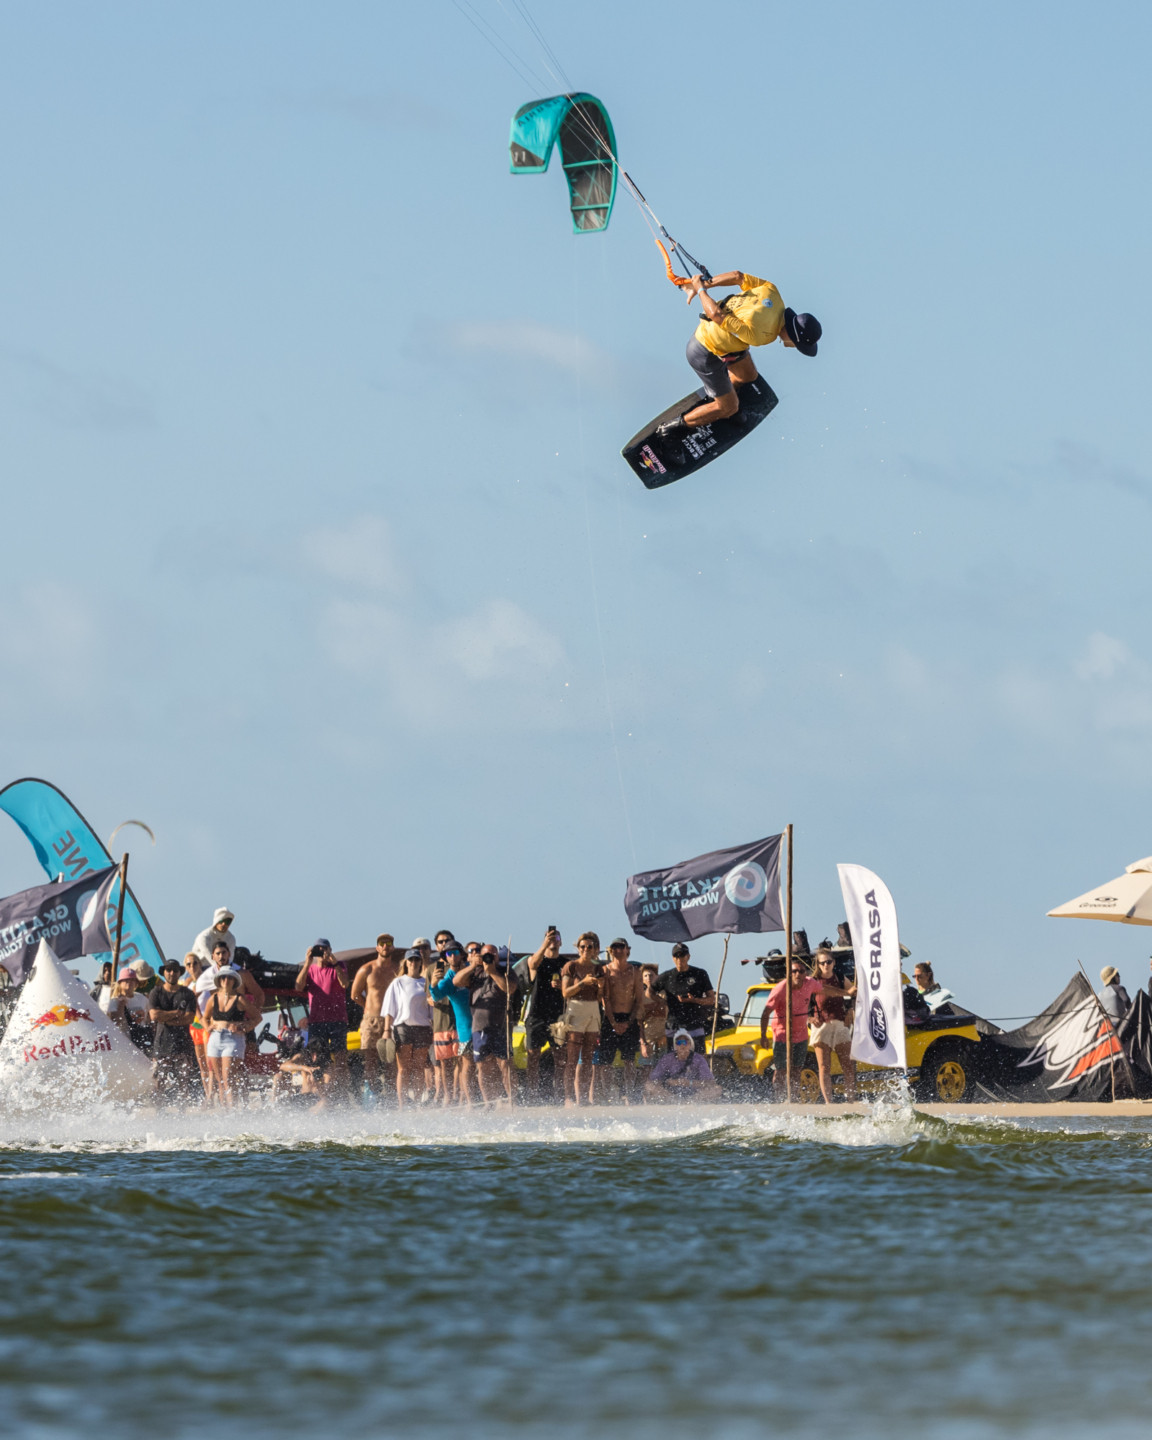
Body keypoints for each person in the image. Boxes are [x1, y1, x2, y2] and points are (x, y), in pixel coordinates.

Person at [657, 270, 821, 437]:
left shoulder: (773, 293)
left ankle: (718, 398)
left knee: (748, 375)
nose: (793, 347)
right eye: (797, 345)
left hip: (725, 343)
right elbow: (716, 315)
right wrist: (700, 289)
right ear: (793, 336)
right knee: (729, 408)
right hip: (703, 351)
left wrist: (703, 284)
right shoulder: (762, 335)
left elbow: (737, 276)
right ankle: (672, 428)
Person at [454, 943, 519, 1105]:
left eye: (493, 954)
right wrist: (472, 966)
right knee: (482, 1066)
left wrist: (492, 972)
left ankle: (513, 1100)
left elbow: (510, 989)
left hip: (501, 1026)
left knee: (505, 1064)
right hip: (479, 1027)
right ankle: (488, 1102)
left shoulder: (506, 971)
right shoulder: (475, 973)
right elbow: (456, 981)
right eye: (486, 955)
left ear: (497, 956)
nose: (490, 957)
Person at [515, 926, 567, 1101]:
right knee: (533, 1056)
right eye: (549, 937)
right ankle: (533, 1094)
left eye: (556, 938)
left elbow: (571, 987)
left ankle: (560, 1093)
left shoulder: (566, 963)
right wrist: (544, 944)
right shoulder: (537, 959)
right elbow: (532, 964)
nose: (553, 940)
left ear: (561, 942)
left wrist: (562, 986)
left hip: (558, 1016)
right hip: (536, 1014)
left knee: (560, 1057)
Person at [762, 957, 823, 1100]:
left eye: (801, 971)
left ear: (805, 973)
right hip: (782, 1035)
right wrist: (763, 1036)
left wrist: (847, 992)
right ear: (788, 973)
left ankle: (793, 1098)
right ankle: (779, 1098)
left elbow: (825, 990)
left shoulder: (810, 983)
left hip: (801, 1035)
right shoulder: (780, 988)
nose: (798, 974)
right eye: (794, 971)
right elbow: (765, 1013)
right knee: (781, 1070)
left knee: (796, 1070)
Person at [381, 949, 435, 1108]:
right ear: (406, 962)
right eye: (411, 960)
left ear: (420, 962)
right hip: (402, 1027)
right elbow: (389, 1008)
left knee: (419, 1067)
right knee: (403, 1068)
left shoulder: (425, 983)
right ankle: (402, 1104)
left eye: (416, 959)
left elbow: (431, 1008)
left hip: (422, 1028)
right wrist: (386, 1031)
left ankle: (417, 1102)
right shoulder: (398, 982)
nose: (413, 962)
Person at [294, 940, 350, 1090]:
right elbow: (298, 986)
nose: (321, 952)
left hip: (337, 1019)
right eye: (317, 949)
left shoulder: (339, 966)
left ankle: (342, 1092)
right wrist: (307, 962)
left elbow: (345, 984)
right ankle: (320, 1091)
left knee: (340, 1057)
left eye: (324, 949)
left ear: (330, 950)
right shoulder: (311, 969)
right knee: (317, 1058)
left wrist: (335, 963)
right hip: (317, 1021)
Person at [350, 934, 400, 1092]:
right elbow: (354, 995)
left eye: (388, 943)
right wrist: (367, 1007)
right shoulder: (367, 969)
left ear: (393, 947)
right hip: (371, 1020)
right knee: (370, 1061)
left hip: (392, 1019)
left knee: (391, 1060)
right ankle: (371, 1096)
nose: (385, 946)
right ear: (377, 947)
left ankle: (391, 1096)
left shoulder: (398, 969)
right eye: (382, 943)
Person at [203, 968, 259, 1107]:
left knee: (228, 1079)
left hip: (233, 1039)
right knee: (220, 1081)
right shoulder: (213, 998)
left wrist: (244, 1027)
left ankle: (232, 1111)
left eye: (229, 977)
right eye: (223, 978)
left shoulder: (240, 999)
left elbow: (257, 1018)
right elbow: (204, 1017)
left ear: (234, 981)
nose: (226, 980)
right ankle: (226, 1112)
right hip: (215, 1038)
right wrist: (208, 1027)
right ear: (219, 980)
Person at [560, 932, 604, 1107]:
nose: (586, 949)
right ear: (578, 949)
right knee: (572, 1057)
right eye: (583, 946)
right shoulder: (571, 966)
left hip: (593, 1007)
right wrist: (582, 983)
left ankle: (584, 1098)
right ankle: (569, 1097)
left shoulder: (598, 968)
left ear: (595, 949)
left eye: (589, 947)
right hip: (576, 1007)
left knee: (588, 1057)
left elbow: (600, 996)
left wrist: (601, 986)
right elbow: (565, 993)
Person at [809, 949, 858, 1105]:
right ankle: (828, 1102)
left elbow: (855, 995)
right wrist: (809, 1018)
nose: (826, 965)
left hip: (840, 1024)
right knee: (824, 1067)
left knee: (848, 1065)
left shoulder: (840, 978)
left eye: (828, 962)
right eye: (822, 962)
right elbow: (801, 1003)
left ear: (833, 963)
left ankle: (850, 1100)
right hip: (821, 1026)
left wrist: (850, 1010)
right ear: (818, 964)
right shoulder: (813, 981)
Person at [599, 938, 644, 1102]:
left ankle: (629, 1093)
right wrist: (613, 1022)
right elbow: (605, 998)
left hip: (628, 1017)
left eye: (621, 947)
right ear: (610, 951)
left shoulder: (635, 972)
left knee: (629, 1059)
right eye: (615, 947)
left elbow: (639, 999)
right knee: (606, 1061)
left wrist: (629, 1021)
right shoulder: (606, 971)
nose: (618, 950)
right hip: (610, 1017)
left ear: (627, 949)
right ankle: (607, 1095)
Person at [431, 943, 476, 1106]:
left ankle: (487, 1099)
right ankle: (469, 1102)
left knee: (487, 1063)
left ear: (462, 954)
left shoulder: (474, 970)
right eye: (448, 954)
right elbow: (436, 996)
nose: (452, 956)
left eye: (455, 952)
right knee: (467, 1064)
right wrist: (433, 984)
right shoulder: (448, 979)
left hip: (484, 1024)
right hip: (465, 1029)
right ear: (445, 958)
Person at [149, 959, 199, 1103]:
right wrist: (176, 1013)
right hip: (162, 1043)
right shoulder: (156, 992)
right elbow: (154, 1015)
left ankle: (182, 1110)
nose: (172, 973)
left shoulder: (187, 993)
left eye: (175, 970)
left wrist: (165, 1018)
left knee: (184, 1081)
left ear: (179, 973)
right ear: (164, 972)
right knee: (159, 1080)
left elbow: (189, 1018)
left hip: (183, 1043)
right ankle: (159, 1110)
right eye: (169, 970)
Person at [652, 944, 716, 1053]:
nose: (679, 959)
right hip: (673, 1025)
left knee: (699, 1057)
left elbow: (712, 999)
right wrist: (662, 1001)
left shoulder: (700, 974)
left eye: (682, 955)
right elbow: (649, 992)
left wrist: (694, 1000)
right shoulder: (667, 976)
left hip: (695, 1024)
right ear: (673, 958)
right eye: (676, 956)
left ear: (688, 956)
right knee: (673, 1058)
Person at [644, 1030, 722, 1103]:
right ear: (675, 1045)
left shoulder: (699, 1059)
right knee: (649, 1086)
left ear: (690, 1044)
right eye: (679, 1042)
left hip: (695, 1094)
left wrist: (689, 1083)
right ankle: (674, 1101)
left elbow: (710, 1083)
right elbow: (653, 1080)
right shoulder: (667, 1059)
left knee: (717, 1089)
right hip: (670, 1094)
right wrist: (668, 1082)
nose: (682, 1045)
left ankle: (690, 1102)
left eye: (685, 1042)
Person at [102, 967, 152, 1051]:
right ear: (120, 983)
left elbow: (148, 1019)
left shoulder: (142, 999)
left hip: (141, 1040)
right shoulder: (114, 1002)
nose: (129, 982)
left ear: (136, 983)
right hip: (123, 1041)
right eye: (126, 980)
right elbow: (115, 1022)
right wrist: (121, 1006)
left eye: (132, 980)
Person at [638, 964, 669, 1070]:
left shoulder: (665, 994)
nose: (648, 978)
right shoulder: (641, 997)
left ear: (657, 977)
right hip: (648, 1039)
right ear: (642, 979)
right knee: (646, 1069)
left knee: (665, 1068)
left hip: (664, 1038)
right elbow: (640, 1023)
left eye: (651, 975)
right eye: (645, 976)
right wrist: (643, 1043)